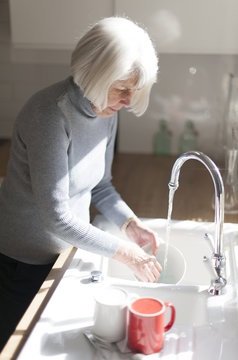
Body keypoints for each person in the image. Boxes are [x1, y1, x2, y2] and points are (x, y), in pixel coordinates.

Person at [0, 17, 162, 350]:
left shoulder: (107, 109)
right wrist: (126, 253)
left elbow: (100, 186)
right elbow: (56, 216)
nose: (129, 100)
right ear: (95, 75)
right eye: (123, 89)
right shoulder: (49, 115)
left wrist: (131, 225)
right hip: (23, 265)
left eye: (135, 90)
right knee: (17, 350)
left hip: (67, 257)